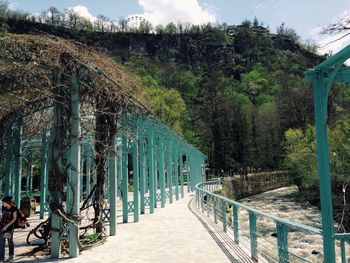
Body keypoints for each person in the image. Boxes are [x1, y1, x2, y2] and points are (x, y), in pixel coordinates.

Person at [0, 196, 17, 262]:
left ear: (7, 202)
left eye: (3, 202)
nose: (2, 203)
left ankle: (11, 256)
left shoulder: (14, 208)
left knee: (10, 242)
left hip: (9, 228)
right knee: (1, 243)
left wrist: (7, 226)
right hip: (2, 226)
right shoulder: (3, 207)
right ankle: (1, 258)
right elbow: (2, 216)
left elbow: (14, 219)